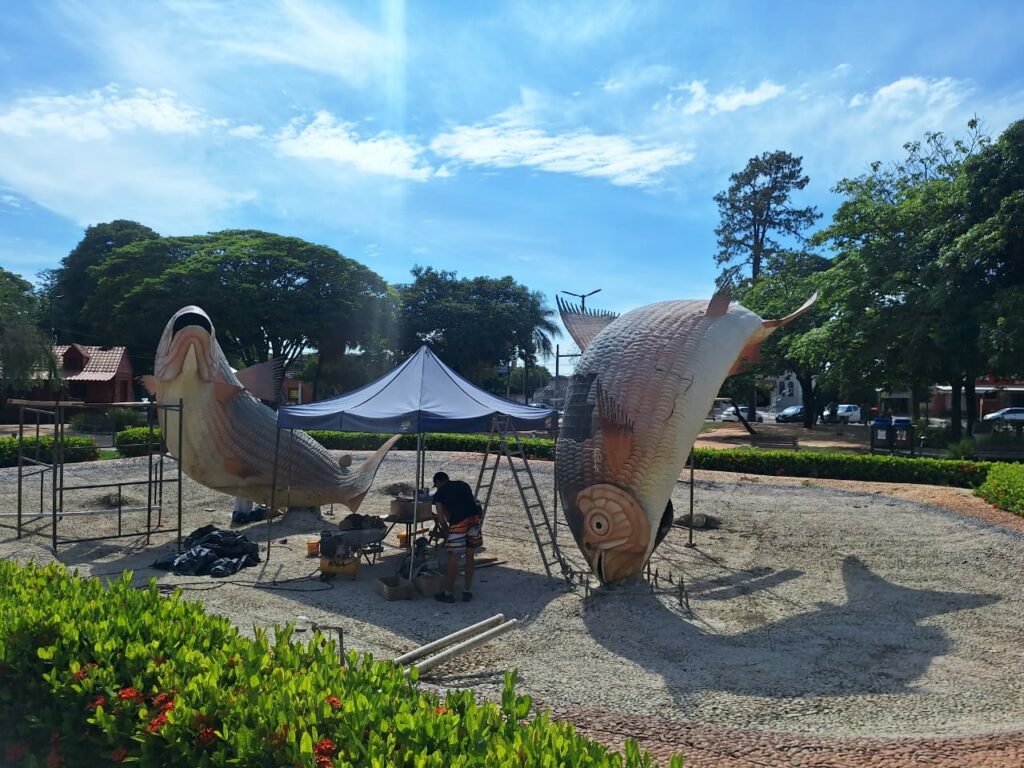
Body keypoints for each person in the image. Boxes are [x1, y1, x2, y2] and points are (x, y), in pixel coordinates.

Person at [430, 471, 482, 603]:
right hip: (474, 520)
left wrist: (447, 532)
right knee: (470, 556)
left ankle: (448, 593)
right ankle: (467, 591)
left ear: (438, 482)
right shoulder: (463, 485)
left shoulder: (439, 494)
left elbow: (441, 518)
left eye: (436, 485)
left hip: (459, 523)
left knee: (453, 559)